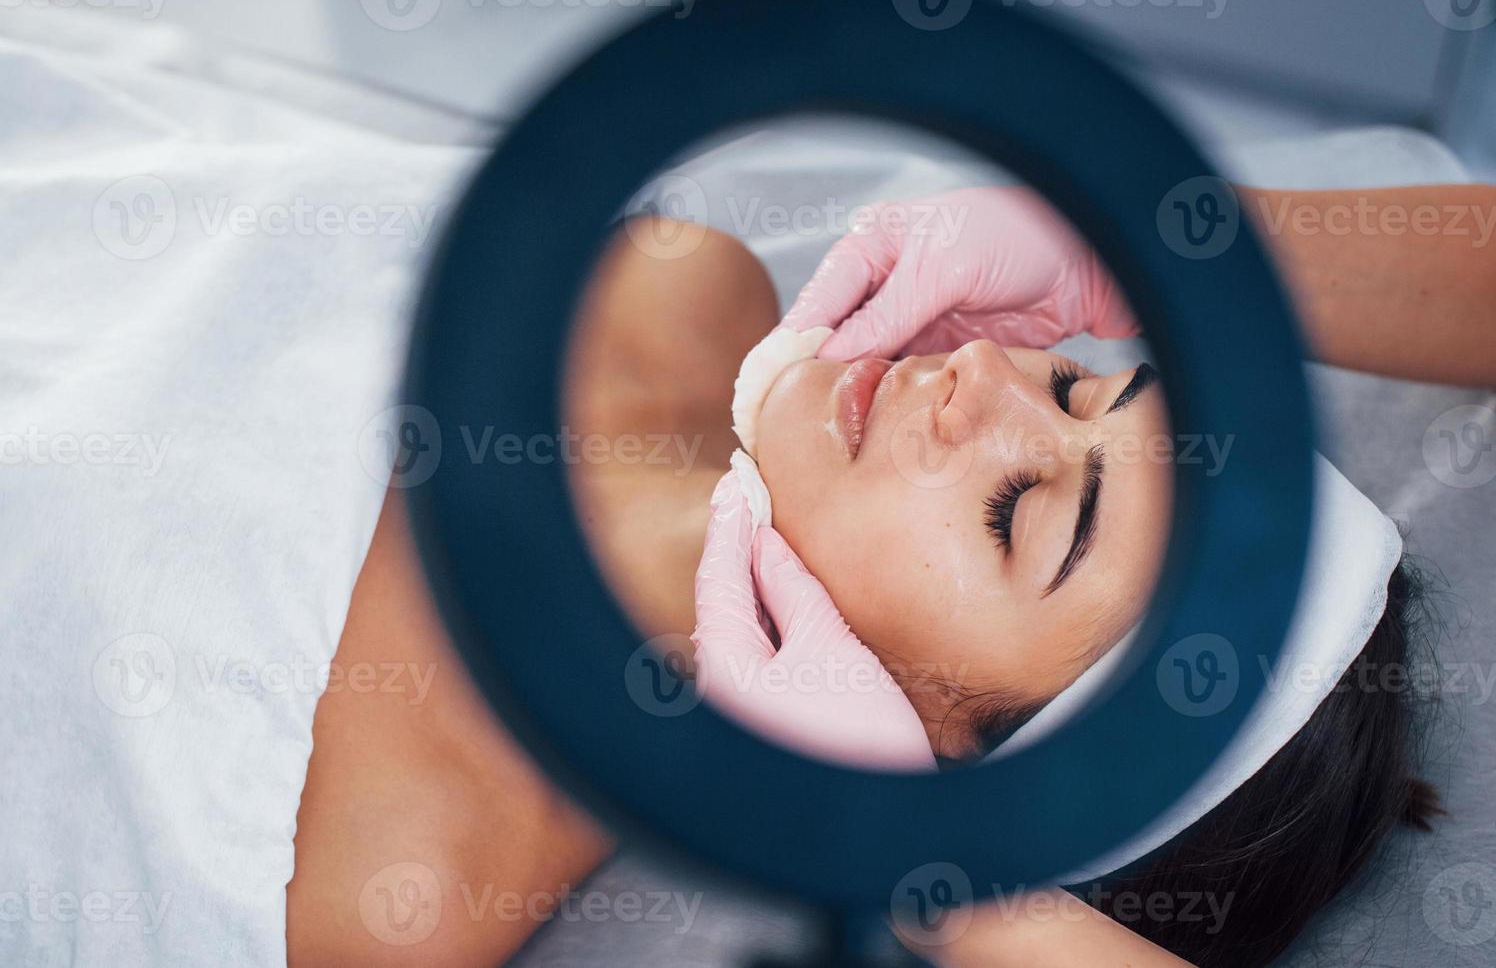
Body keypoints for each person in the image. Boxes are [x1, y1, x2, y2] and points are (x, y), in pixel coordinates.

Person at [287, 181, 1496, 966]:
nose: (989, 378)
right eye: (1077, 384)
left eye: (1017, 513)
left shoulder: (396, 890)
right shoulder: (688, 283)